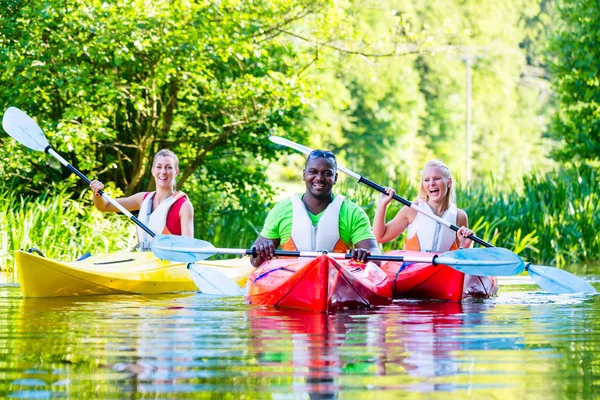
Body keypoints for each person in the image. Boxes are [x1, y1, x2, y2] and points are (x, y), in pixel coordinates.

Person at [250, 149, 380, 268]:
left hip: (336, 281)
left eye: (327, 173)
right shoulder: (281, 210)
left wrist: (365, 255)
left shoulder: (353, 213)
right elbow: (255, 261)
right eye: (313, 172)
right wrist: (261, 250)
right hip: (288, 280)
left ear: (335, 178)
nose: (319, 178)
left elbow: (375, 256)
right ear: (304, 174)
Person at [89, 149, 194, 248]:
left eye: (168, 167)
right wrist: (96, 193)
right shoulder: (142, 199)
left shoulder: (184, 206)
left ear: (176, 172)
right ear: (153, 170)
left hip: (170, 265)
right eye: (159, 167)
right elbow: (104, 206)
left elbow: (189, 250)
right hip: (144, 263)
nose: (163, 171)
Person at [373, 159, 473, 252]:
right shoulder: (412, 210)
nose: (431, 183)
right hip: (413, 270)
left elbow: (459, 259)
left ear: (449, 182)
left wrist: (464, 247)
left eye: (437, 178)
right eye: (426, 180)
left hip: (444, 270)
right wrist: (382, 205)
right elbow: (380, 237)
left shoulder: (459, 216)